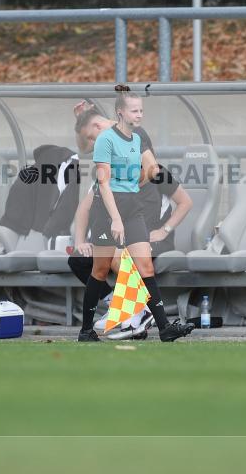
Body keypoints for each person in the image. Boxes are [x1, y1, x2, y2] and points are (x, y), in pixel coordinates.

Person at [77, 85, 194, 343]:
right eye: (134, 111)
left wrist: (131, 186)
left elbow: (152, 169)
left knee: (145, 265)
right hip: (107, 210)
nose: (139, 115)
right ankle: (85, 331)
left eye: (141, 110)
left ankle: (164, 328)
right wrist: (116, 217)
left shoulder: (138, 138)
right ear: (120, 112)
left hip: (132, 208)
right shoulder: (106, 139)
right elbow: (104, 183)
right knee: (100, 269)